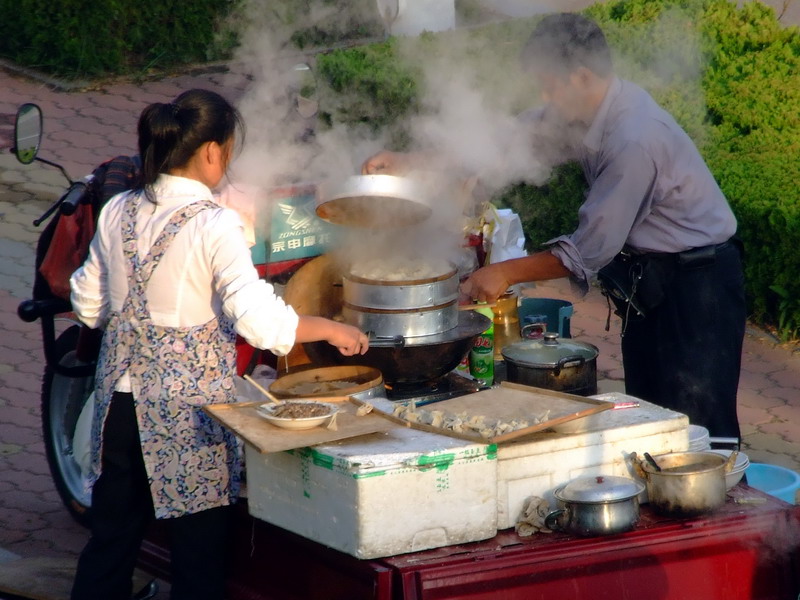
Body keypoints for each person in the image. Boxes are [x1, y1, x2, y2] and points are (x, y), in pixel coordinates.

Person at [363, 13, 745, 440]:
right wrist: (413, 161)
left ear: (581, 76)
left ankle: (737, 503)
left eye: (549, 84)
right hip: (651, 284)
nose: (544, 96)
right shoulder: (588, 111)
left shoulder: (634, 138)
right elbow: (506, 142)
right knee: (652, 421)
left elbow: (589, 249)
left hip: (698, 290)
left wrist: (504, 272)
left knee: (701, 431)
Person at [69, 88, 369, 600]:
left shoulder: (119, 208)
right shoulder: (215, 224)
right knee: (199, 561)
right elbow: (260, 324)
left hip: (117, 408)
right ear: (212, 152)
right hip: (189, 420)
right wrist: (331, 328)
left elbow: (89, 306)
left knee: (111, 542)